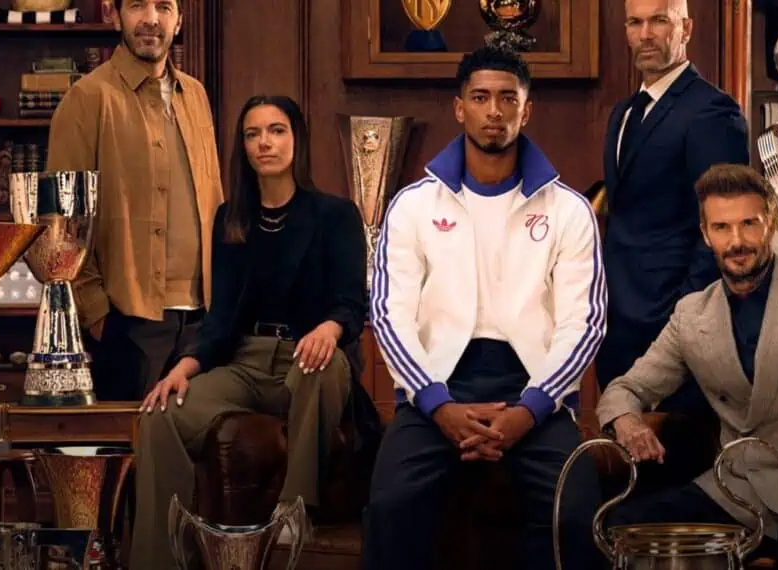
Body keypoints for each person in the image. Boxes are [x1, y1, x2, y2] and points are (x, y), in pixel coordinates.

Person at [361, 47, 606, 570]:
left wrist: (529, 410)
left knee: (577, 514)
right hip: (435, 386)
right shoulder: (413, 205)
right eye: (479, 98)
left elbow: (583, 324)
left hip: (534, 389)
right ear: (459, 108)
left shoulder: (569, 210)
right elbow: (389, 315)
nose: (493, 111)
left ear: (526, 109)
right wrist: (437, 405)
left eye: (506, 98)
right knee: (390, 506)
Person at [597, 164, 778, 570]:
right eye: (722, 228)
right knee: (623, 527)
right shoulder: (691, 314)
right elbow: (625, 389)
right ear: (706, 235)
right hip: (736, 488)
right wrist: (627, 421)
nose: (736, 241)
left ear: (769, 223)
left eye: (748, 224)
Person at [129, 95, 368, 570]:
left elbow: (351, 303)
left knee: (317, 365)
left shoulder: (336, 215)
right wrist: (183, 368)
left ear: (296, 140)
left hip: (311, 357)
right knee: (162, 413)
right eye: (253, 134)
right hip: (245, 361)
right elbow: (220, 318)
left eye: (276, 130)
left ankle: (294, 511)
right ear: (243, 146)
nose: (265, 142)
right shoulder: (231, 218)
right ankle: (159, 558)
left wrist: (329, 328)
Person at [46, 0, 224, 401]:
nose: (151, 19)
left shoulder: (196, 96)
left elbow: (215, 201)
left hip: (202, 321)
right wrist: (97, 314)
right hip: (127, 322)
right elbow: (60, 219)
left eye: (164, 6)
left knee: (197, 438)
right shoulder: (87, 98)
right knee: (131, 440)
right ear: (115, 16)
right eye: (137, 5)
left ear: (179, 20)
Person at [596, 0, 750, 412]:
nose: (645, 34)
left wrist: (682, 316)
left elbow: (724, 229)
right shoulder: (623, 113)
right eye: (635, 22)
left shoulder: (712, 111)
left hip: (674, 328)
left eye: (659, 21)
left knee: (673, 450)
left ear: (686, 28)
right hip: (616, 324)